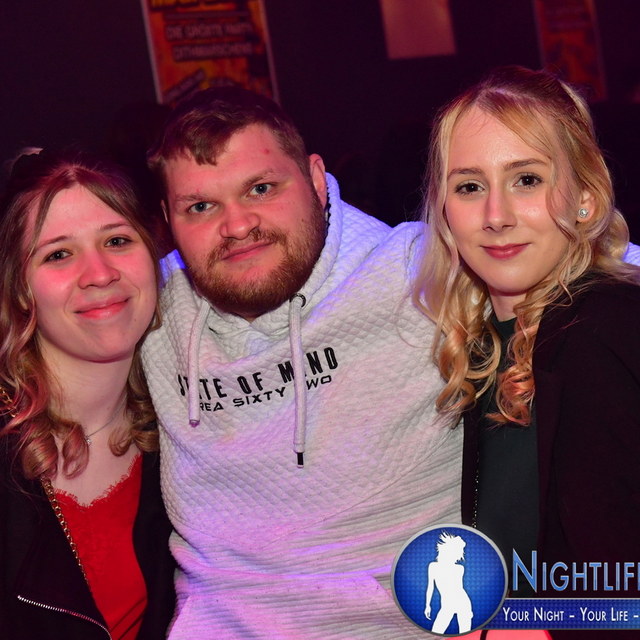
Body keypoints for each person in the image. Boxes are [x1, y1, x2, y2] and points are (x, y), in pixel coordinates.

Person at [141, 86, 462, 638]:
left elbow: (587, 268)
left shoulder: (422, 270)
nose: (237, 226)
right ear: (168, 220)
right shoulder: (151, 310)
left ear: (315, 179)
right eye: (201, 207)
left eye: (261, 188)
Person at [415, 65, 640, 637]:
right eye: (470, 187)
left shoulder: (601, 332)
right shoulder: (490, 341)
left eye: (527, 180)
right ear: (444, 212)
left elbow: (620, 595)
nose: (496, 216)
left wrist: (528, 625)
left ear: (585, 199)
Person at [0, 149, 176, 639]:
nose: (99, 274)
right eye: (58, 254)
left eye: (117, 241)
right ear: (21, 289)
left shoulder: (185, 431)